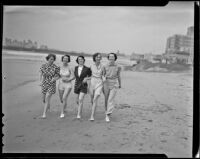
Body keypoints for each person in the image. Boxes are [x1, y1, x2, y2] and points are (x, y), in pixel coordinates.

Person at [39, 54, 60, 118]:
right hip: (44, 83)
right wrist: (40, 81)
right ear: (47, 59)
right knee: (43, 99)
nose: (52, 60)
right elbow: (40, 73)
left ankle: (44, 114)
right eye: (50, 59)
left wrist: (54, 79)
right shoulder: (43, 66)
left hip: (51, 83)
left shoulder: (56, 67)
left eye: (53, 59)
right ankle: (48, 105)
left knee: (47, 97)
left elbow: (58, 76)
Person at [103, 53, 121, 122]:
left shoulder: (118, 66)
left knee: (110, 99)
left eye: (112, 57)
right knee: (106, 99)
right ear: (108, 58)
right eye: (110, 57)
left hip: (114, 83)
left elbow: (119, 75)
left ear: (115, 58)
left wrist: (120, 84)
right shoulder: (105, 65)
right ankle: (106, 112)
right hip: (106, 83)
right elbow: (103, 74)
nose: (111, 58)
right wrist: (103, 78)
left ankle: (107, 115)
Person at [89, 53, 105, 121]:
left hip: (99, 83)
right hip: (92, 82)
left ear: (100, 58)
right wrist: (85, 79)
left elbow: (104, 74)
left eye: (99, 57)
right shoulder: (91, 66)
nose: (98, 58)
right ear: (94, 58)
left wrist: (104, 78)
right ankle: (94, 108)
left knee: (95, 99)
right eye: (97, 57)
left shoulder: (103, 66)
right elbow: (89, 75)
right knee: (92, 99)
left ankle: (92, 116)